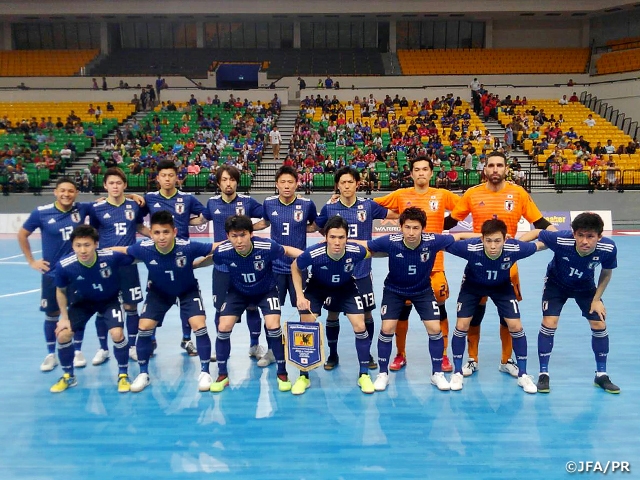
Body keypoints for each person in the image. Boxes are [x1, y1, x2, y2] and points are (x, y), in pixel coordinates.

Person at [444, 151, 556, 378]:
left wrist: (564, 239)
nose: (495, 169)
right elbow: (449, 222)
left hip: (507, 266)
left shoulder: (518, 193)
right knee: (474, 315)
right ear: (484, 169)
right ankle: (472, 359)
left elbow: (540, 223)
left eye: (499, 165)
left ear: (506, 169)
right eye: (491, 165)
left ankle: (506, 360)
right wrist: (422, 228)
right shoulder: (472, 194)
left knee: (508, 317)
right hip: (477, 264)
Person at [362, 207, 473, 392]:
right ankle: (383, 374)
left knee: (435, 328)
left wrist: (488, 239)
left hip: (422, 291)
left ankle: (437, 373)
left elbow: (460, 236)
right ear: (400, 227)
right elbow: (366, 246)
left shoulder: (433, 241)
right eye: (407, 227)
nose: (411, 232)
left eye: (415, 228)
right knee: (387, 328)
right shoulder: (390, 241)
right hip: (394, 290)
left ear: (423, 228)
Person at [111, 211, 214, 393]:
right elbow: (123, 251)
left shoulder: (188, 246)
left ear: (174, 231)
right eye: (157, 233)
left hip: (187, 291)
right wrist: (98, 251)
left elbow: (215, 248)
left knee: (199, 325)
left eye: (166, 232)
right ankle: (143, 373)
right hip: (159, 293)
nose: (161, 237)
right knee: (144, 326)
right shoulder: (143, 248)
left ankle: (205, 372)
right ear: (151, 233)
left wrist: (199, 263)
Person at [374, 157, 460, 372]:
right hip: (405, 265)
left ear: (431, 173)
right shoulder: (401, 195)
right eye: (416, 170)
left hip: (435, 266)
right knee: (402, 312)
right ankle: (400, 354)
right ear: (411, 174)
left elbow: (465, 207)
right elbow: (374, 204)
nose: (421, 173)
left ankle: (443, 355)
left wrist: (445, 224)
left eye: (425, 169)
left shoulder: (442, 195)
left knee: (439, 308)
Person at [446, 219, 543, 393]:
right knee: (462, 325)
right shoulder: (470, 248)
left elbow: (541, 245)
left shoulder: (515, 248)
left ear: (505, 239)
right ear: (481, 239)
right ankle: (458, 372)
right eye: (488, 240)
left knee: (516, 325)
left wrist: (567, 242)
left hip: (502, 288)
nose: (492, 246)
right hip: (472, 287)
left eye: (497, 241)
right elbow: (444, 243)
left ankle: (523, 375)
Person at [314, 167, 398, 371]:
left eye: (350, 182)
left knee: (366, 315)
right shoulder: (330, 208)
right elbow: (318, 226)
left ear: (357, 183)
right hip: (335, 273)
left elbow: (395, 214)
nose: (346, 186)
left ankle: (366, 352)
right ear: (337, 185)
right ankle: (333, 355)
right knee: (332, 314)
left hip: (361, 272)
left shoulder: (369, 206)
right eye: (342, 182)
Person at [208, 215, 303, 392]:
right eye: (234, 236)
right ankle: (222, 375)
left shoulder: (266, 246)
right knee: (223, 326)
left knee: (273, 326)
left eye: (242, 235)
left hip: (266, 291)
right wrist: (191, 265)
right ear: (228, 236)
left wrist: (308, 258)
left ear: (251, 234)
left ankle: (282, 374)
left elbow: (288, 250)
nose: (238, 240)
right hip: (238, 293)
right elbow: (210, 259)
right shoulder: (223, 251)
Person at [532, 213, 619, 394]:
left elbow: (607, 273)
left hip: (585, 286)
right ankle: (543, 373)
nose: (584, 241)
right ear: (574, 234)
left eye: (590, 236)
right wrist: (517, 245)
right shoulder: (561, 239)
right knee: (549, 323)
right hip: (556, 284)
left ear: (599, 237)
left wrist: (596, 300)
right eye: (580, 235)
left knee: (599, 323)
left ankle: (601, 374)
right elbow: (539, 232)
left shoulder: (608, 248)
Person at [291, 216, 373, 395]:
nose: (337, 242)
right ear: (325, 237)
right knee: (306, 324)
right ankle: (303, 376)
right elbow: (295, 267)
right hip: (317, 287)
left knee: (360, 325)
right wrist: (299, 295)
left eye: (341, 237)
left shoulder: (356, 251)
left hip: (345, 287)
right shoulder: (314, 253)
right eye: (333, 237)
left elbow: (374, 251)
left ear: (347, 238)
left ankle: (364, 374)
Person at [18, 177, 92, 372]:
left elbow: (107, 200)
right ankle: (51, 354)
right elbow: (22, 234)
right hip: (52, 274)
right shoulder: (41, 213)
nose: (66, 194)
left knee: (77, 312)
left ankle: (77, 350)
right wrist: (31, 261)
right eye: (62, 190)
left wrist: (133, 195)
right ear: (55, 192)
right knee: (52, 313)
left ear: (76, 193)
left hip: (78, 272)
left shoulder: (82, 209)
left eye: (70, 191)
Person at [49, 226, 133, 393]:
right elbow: (60, 290)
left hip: (110, 300)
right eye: (78, 245)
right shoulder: (65, 265)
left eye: (87, 245)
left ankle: (123, 374)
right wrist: (64, 318)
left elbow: (135, 257)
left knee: (117, 334)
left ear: (96, 244)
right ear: (72, 246)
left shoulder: (110, 257)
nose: (83, 250)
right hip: (83, 302)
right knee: (63, 335)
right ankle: (68, 376)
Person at [198, 165, 268, 361]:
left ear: (237, 182)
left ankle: (254, 345)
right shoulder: (212, 203)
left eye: (232, 180)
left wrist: (247, 229)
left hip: (247, 265)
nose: (228, 183)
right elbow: (197, 220)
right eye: (224, 180)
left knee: (252, 307)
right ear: (219, 183)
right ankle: (218, 346)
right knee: (220, 307)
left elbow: (268, 217)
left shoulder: (247, 201)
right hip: (222, 266)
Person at [144, 160, 207, 356]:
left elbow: (204, 215)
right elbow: (134, 219)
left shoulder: (186, 199)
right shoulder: (149, 199)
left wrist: (191, 222)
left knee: (185, 299)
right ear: (158, 178)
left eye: (171, 175)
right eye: (163, 175)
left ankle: (187, 340)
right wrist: (152, 235)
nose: (167, 179)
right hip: (159, 257)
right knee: (155, 297)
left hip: (182, 256)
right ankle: (151, 339)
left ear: (176, 177)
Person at [88, 168, 149, 365]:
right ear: (105, 186)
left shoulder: (133, 205)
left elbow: (139, 226)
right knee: (101, 306)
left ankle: (132, 346)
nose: (115, 186)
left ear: (124, 185)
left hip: (128, 263)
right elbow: (92, 233)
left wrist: (155, 237)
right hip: (105, 265)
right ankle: (103, 348)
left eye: (118, 183)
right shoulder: (97, 208)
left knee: (131, 306)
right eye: (111, 183)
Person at [261, 166, 318, 366]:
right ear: (277, 184)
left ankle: (305, 349)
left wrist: (304, 227)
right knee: (270, 312)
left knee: (304, 309)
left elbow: (315, 224)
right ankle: (271, 350)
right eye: (283, 182)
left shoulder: (306, 204)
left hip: (298, 268)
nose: (286, 186)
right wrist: (243, 229)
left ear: (297, 184)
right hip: (274, 268)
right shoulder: (268, 203)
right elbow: (265, 222)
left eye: (290, 182)